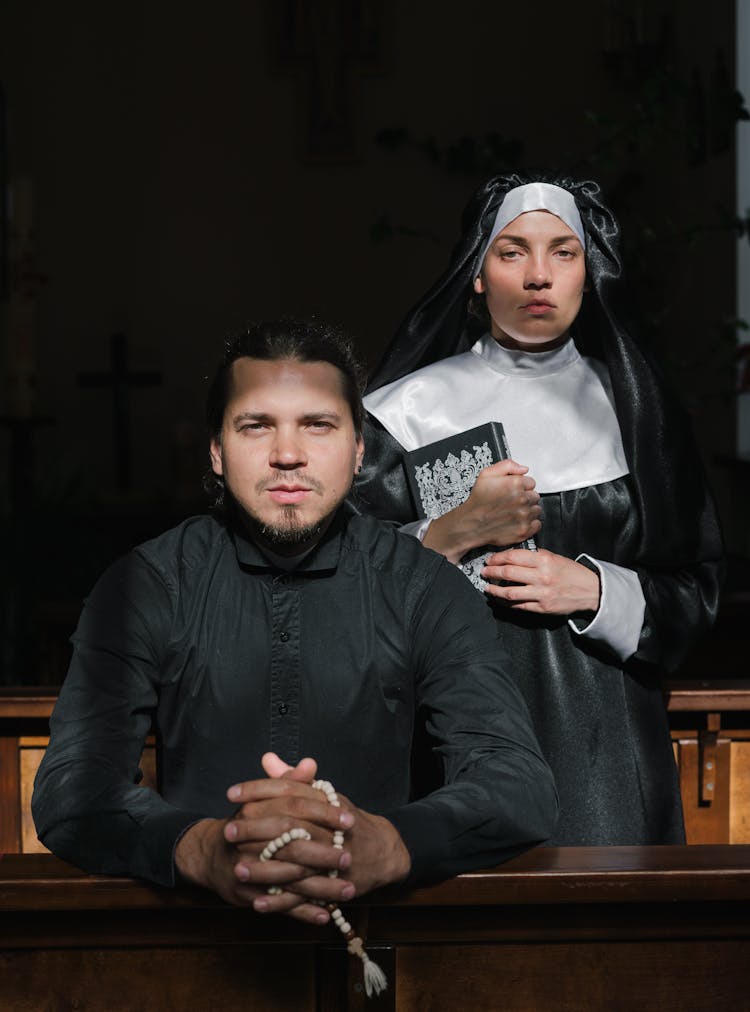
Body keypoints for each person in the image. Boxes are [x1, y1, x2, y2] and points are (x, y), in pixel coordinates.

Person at [32, 319, 557, 932]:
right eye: (256, 426)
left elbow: (517, 783)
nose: (287, 454)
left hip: (386, 949)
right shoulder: (145, 585)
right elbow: (71, 789)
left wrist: (390, 844)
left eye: (318, 424)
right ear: (216, 450)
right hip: (194, 951)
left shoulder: (424, 587)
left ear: (359, 449)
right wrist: (200, 848)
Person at [358, 174, 723, 846]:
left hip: (607, 758)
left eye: (563, 252)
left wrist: (595, 589)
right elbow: (338, 593)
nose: (537, 276)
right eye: (511, 252)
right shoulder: (404, 414)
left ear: (589, 274)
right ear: (475, 275)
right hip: (446, 750)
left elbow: (697, 593)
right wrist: (449, 532)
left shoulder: (638, 415)